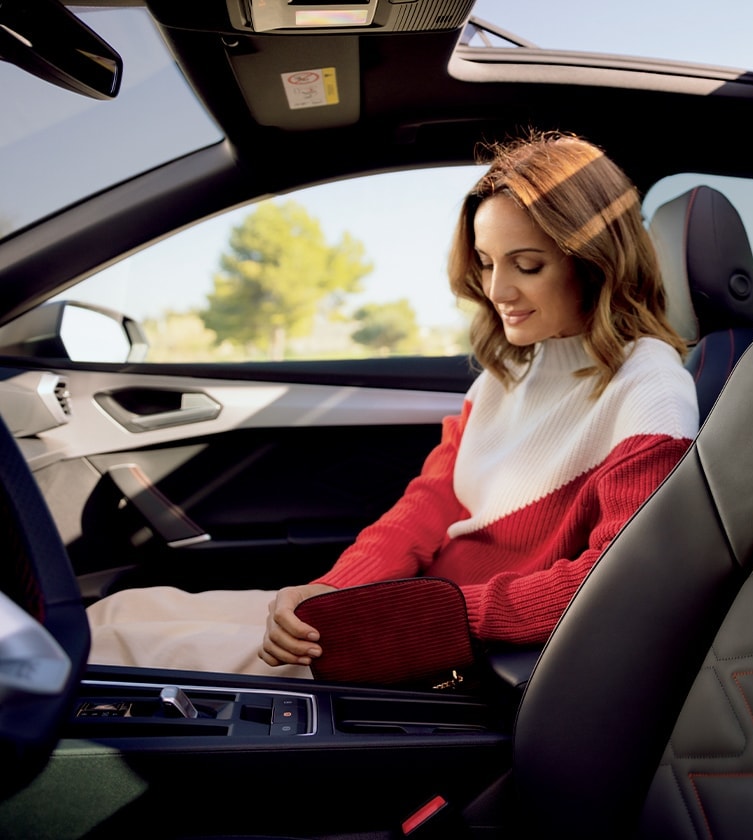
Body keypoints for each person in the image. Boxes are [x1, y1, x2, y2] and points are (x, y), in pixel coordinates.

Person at [87, 130, 699, 679]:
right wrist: (332, 589)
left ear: (596, 264)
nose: (496, 290)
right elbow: (427, 507)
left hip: (445, 640)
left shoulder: (648, 389)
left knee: (119, 656)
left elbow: (615, 579)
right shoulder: (510, 373)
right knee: (119, 613)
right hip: (408, 607)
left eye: (528, 266)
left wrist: (420, 615)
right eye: (486, 263)